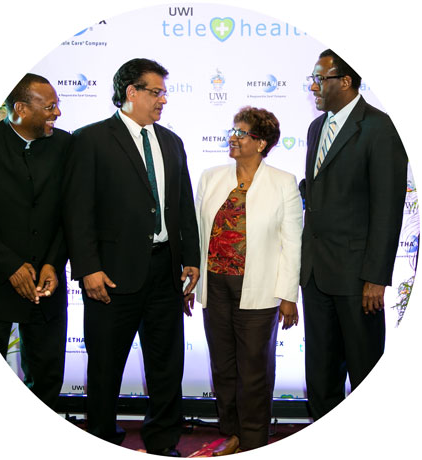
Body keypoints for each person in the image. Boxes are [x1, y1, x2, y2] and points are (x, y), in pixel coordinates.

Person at [62, 58, 200, 457]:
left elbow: (183, 205)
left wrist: (190, 257)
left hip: (165, 271)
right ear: (131, 92)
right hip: (111, 275)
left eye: (164, 93)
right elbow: (77, 211)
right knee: (105, 367)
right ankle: (102, 438)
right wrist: (88, 268)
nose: (163, 100)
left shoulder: (172, 141)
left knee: (166, 366)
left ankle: (163, 443)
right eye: (156, 92)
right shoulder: (90, 139)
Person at [300, 49, 408, 421]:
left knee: (364, 372)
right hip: (315, 274)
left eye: (320, 79)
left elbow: (387, 207)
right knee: (320, 374)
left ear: (345, 81)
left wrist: (376, 277)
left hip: (357, 278)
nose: (313, 87)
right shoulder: (316, 128)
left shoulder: (379, 127)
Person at [195, 106, 303, 454]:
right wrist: (191, 281)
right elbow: (197, 234)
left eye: (242, 133)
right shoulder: (211, 177)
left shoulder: (283, 182)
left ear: (261, 143)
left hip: (258, 290)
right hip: (215, 286)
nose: (234, 137)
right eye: (233, 130)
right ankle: (232, 434)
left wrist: (288, 295)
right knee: (223, 367)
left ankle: (254, 442)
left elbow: (292, 243)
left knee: (254, 371)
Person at [0, 73, 70, 409]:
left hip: (46, 284)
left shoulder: (66, 146)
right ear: (21, 109)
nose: (57, 113)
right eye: (49, 107)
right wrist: (11, 267)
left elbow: (71, 216)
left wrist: (53, 262)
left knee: (47, 377)